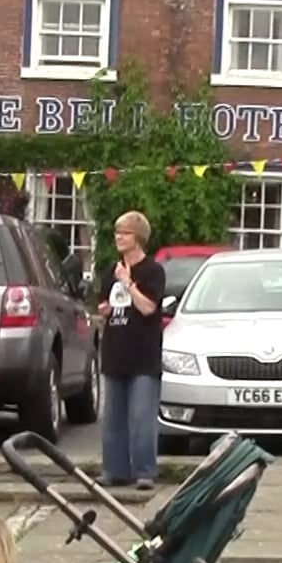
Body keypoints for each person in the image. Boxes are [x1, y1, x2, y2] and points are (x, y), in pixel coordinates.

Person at [99, 210, 165, 490]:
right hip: (115, 351)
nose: (118, 237)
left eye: (124, 233)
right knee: (112, 419)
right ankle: (114, 471)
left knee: (141, 418)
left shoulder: (152, 271)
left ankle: (145, 472)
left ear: (138, 238)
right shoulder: (110, 272)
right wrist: (104, 309)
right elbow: (104, 306)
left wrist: (128, 282)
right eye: (117, 232)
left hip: (143, 356)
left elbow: (149, 308)